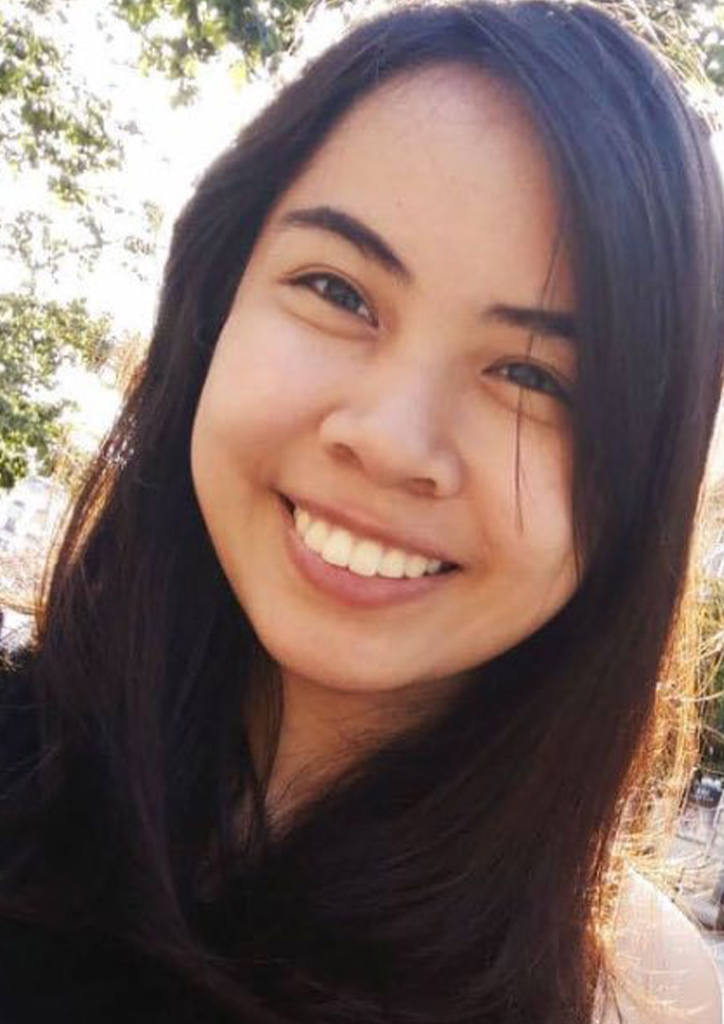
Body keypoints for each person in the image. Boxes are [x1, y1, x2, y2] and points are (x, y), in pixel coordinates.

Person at [0, 1, 722, 1021]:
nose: (389, 439)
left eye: (531, 375)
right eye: (337, 291)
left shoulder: (642, 999)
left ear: (642, 486)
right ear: (214, 304)